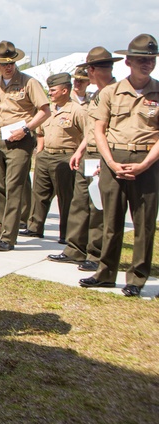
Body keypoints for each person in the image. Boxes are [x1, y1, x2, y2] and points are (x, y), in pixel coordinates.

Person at [80, 34, 159, 298]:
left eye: (151, 59)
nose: (146, 64)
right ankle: (105, 274)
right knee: (111, 222)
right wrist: (111, 162)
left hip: (147, 163)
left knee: (144, 225)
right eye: (140, 59)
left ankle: (136, 278)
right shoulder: (111, 92)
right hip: (113, 160)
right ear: (128, 61)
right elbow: (99, 129)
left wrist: (146, 163)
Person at [0, 41, 50, 251]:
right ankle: (2, 228)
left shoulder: (29, 82)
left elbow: (45, 111)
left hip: (20, 140)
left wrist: (27, 129)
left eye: (12, 63)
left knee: (14, 186)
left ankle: (8, 237)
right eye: (4, 63)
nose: (9, 67)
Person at [49, 48, 120, 269]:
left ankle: (95, 254)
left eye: (88, 70)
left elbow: (113, 130)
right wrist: (80, 150)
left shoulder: (116, 93)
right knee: (79, 203)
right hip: (87, 153)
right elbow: (91, 129)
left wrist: (104, 158)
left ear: (93, 70)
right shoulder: (95, 95)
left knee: (97, 207)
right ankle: (75, 249)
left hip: (103, 156)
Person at [22, 73, 85, 243]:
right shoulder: (47, 109)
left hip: (66, 158)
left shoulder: (77, 110)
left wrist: (78, 154)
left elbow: (89, 135)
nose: (50, 93)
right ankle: (35, 227)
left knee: (66, 198)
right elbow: (40, 133)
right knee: (39, 194)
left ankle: (66, 234)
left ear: (65, 90)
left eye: (53, 90)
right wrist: (40, 152)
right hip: (45, 156)